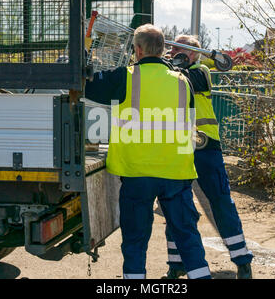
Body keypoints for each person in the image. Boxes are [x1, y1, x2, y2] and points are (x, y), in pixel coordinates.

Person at [84, 24, 212, 279]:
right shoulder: (183, 81)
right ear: (163, 49)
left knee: (135, 240)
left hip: (137, 173)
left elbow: (87, 86)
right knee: (187, 237)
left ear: (138, 50)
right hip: (176, 172)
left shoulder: (124, 76)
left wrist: (84, 60)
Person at [161, 34, 254, 279]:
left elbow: (190, 81)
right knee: (175, 206)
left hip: (205, 146)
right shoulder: (168, 73)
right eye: (171, 48)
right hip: (177, 147)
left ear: (194, 53)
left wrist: (175, 65)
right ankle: (176, 263)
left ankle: (242, 260)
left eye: (179, 49)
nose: (172, 52)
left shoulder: (200, 71)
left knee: (221, 202)